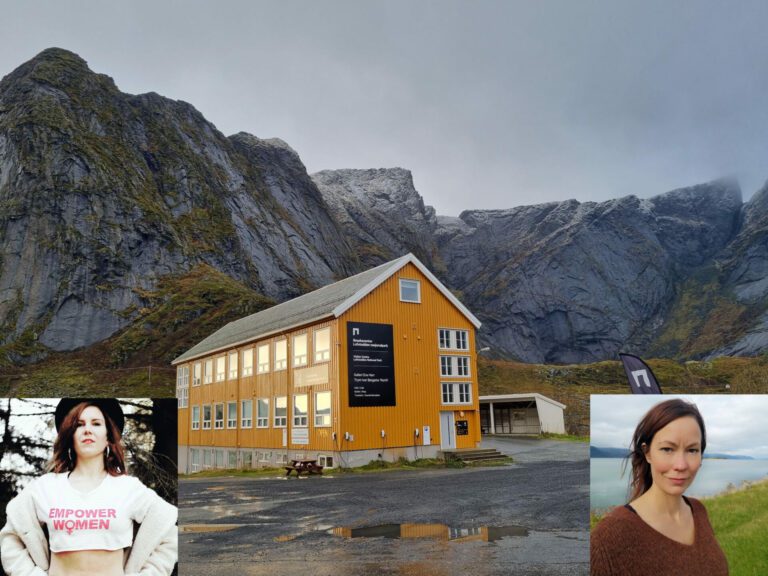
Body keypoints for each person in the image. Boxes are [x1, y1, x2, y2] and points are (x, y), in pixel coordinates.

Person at [0, 398, 177, 576]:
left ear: (108, 436)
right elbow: (11, 537)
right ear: (70, 435)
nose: (87, 430)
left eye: (96, 424)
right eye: (79, 424)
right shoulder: (46, 487)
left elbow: (168, 532)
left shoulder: (127, 488)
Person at [591, 398, 728, 575]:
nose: (680, 465)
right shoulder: (607, 539)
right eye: (667, 449)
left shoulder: (698, 511)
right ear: (647, 453)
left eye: (692, 450)